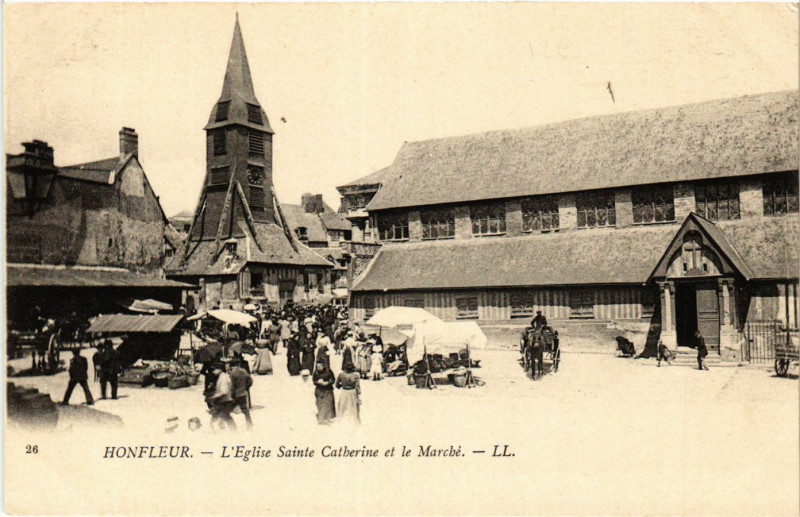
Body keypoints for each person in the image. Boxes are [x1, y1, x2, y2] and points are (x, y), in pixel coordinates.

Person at [209, 365, 236, 431]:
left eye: (214, 370)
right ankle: (232, 430)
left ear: (220, 369)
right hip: (225, 399)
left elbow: (224, 391)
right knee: (225, 416)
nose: (213, 372)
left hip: (225, 400)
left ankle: (233, 430)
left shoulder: (223, 378)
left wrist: (214, 397)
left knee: (224, 416)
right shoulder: (223, 376)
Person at [228, 361, 253, 429]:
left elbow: (232, 385)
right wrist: (246, 387)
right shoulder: (244, 371)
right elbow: (250, 380)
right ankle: (249, 423)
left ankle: (230, 427)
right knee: (245, 410)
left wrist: (231, 394)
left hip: (235, 394)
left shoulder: (231, 373)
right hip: (243, 393)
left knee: (226, 410)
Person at [335, 362, 361, 426]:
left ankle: (341, 422)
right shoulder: (356, 376)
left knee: (342, 408)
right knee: (353, 408)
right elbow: (357, 387)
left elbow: (337, 385)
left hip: (344, 392)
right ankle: (354, 423)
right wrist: (359, 397)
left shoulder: (341, 375)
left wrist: (342, 385)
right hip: (352, 393)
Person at [313, 361, 336, 425]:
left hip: (327, 389)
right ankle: (321, 418)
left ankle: (328, 418)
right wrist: (318, 382)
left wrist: (327, 383)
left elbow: (333, 379)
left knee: (328, 404)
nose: (318, 368)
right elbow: (314, 380)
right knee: (320, 404)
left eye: (320, 367)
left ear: (323, 366)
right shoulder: (316, 372)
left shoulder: (328, 371)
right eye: (317, 367)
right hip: (319, 390)